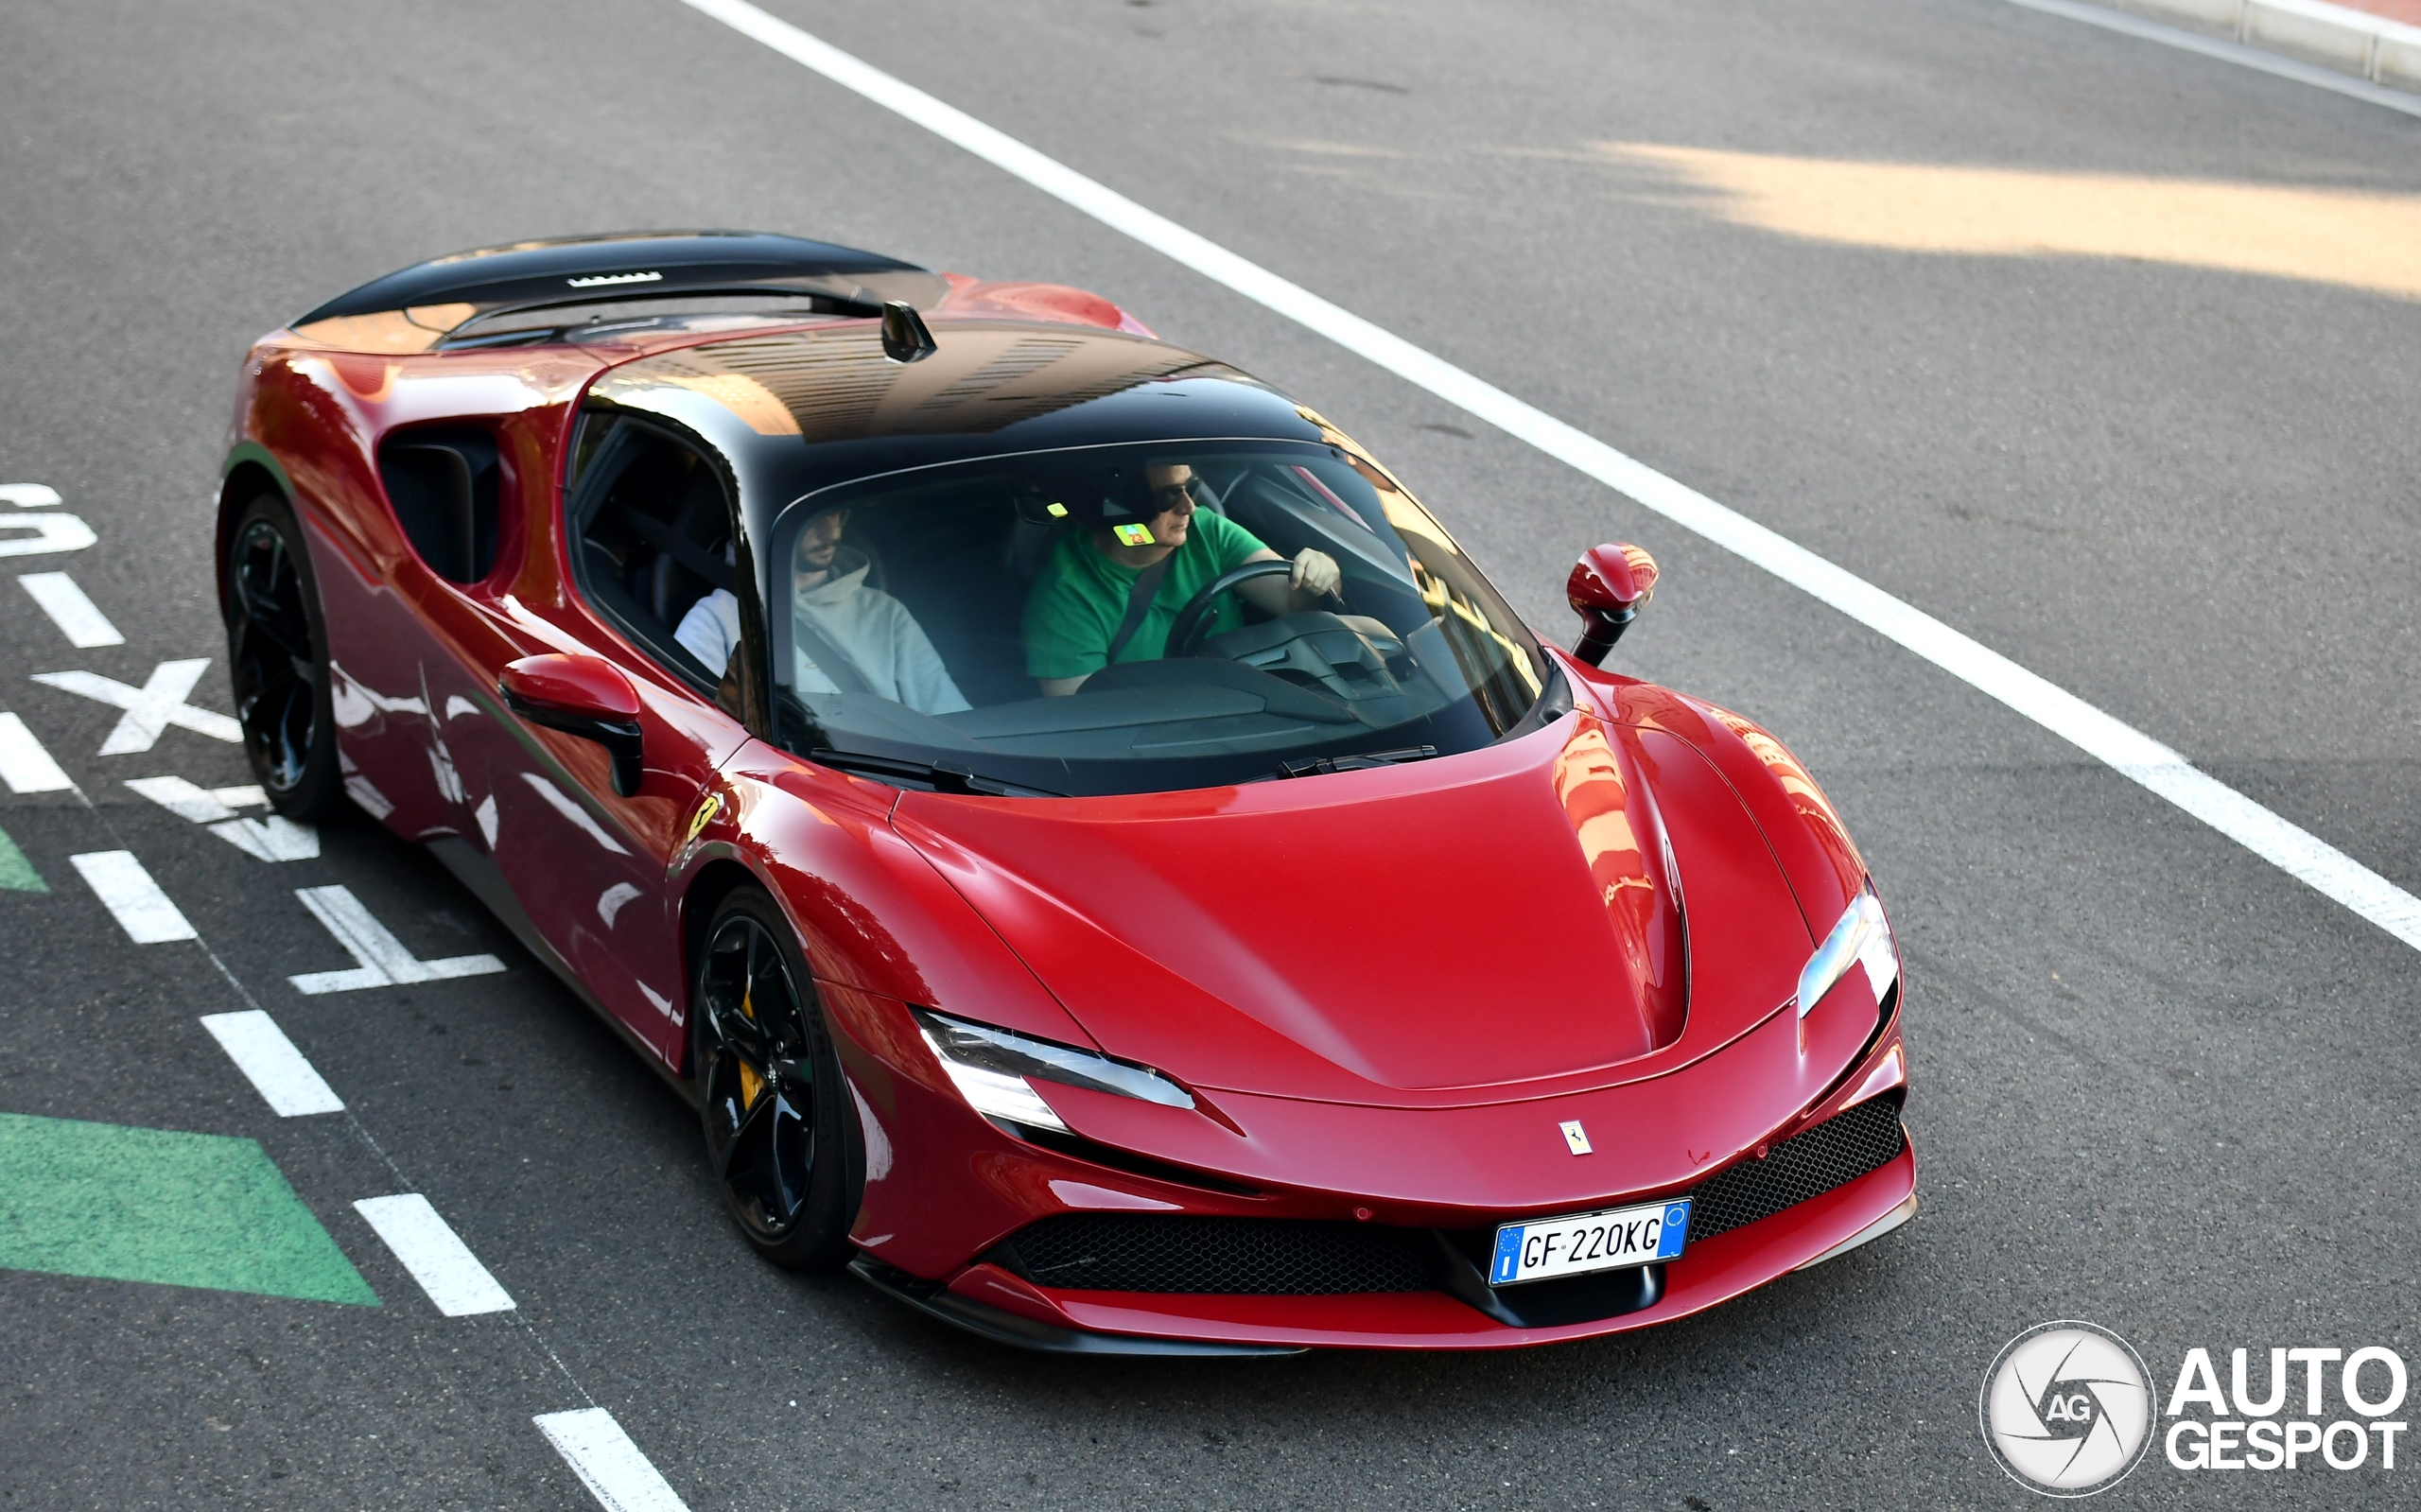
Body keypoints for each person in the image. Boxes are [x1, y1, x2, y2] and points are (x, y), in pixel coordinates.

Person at [1023, 461, 1341, 695]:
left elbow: (1293, 600)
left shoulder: (1207, 530)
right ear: (1119, 507)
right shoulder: (1064, 597)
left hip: (1248, 704)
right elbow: (1083, 720)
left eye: (1190, 488)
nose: (1189, 506)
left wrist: (1319, 572)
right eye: (1169, 496)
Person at [675, 507, 969, 715]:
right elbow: (694, 733)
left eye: (835, 512)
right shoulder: (717, 620)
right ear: (762, 519)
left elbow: (950, 716)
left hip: (901, 782)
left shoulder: (884, 612)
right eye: (811, 517)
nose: (830, 531)